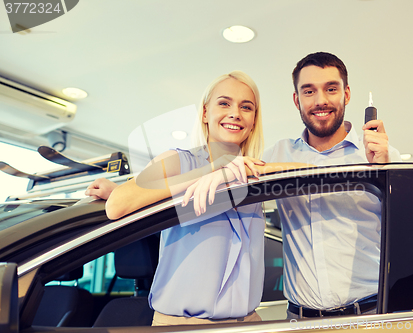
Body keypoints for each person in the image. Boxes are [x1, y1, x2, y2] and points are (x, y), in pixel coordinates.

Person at [85, 71, 303, 326]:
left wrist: (241, 169)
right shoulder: (179, 160)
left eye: (246, 107)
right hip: (182, 325)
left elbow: (304, 172)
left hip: (247, 323)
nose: (235, 113)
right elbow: (118, 205)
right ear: (204, 113)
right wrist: (214, 170)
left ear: (254, 121)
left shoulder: (251, 172)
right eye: (224, 103)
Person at [260, 52, 413, 319]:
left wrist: (388, 173)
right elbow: (231, 179)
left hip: (368, 316)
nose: (320, 101)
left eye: (331, 88)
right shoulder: (277, 156)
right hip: (299, 321)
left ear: (347, 94)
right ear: (297, 99)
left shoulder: (382, 156)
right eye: (309, 91)